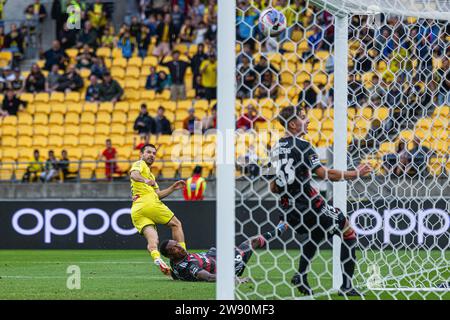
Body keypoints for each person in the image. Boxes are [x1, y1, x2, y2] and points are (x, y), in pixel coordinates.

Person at [269, 106, 372, 296]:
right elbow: (326, 174)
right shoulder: (304, 146)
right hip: (309, 205)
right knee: (347, 232)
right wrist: (355, 173)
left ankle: (301, 275)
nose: (307, 120)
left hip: (288, 209)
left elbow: (273, 187)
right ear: (292, 124)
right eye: (302, 118)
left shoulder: (274, 148)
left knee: (317, 234)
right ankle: (347, 286)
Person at [159, 221, 288, 282]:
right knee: (251, 243)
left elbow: (177, 273)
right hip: (227, 266)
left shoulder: (175, 263)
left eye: (177, 244)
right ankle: (280, 229)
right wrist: (234, 279)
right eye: (175, 247)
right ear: (170, 255)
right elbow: (208, 277)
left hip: (214, 256)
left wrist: (170, 273)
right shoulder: (189, 266)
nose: (180, 247)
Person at [129, 143, 187, 276]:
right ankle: (185, 258)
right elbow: (134, 175)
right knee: (176, 224)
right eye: (148, 152)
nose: (151, 155)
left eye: (154, 153)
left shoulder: (152, 177)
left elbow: (159, 195)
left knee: (153, 241)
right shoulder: (140, 164)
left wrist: (172, 188)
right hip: (149, 203)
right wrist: (144, 180)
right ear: (141, 154)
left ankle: (157, 259)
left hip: (137, 210)